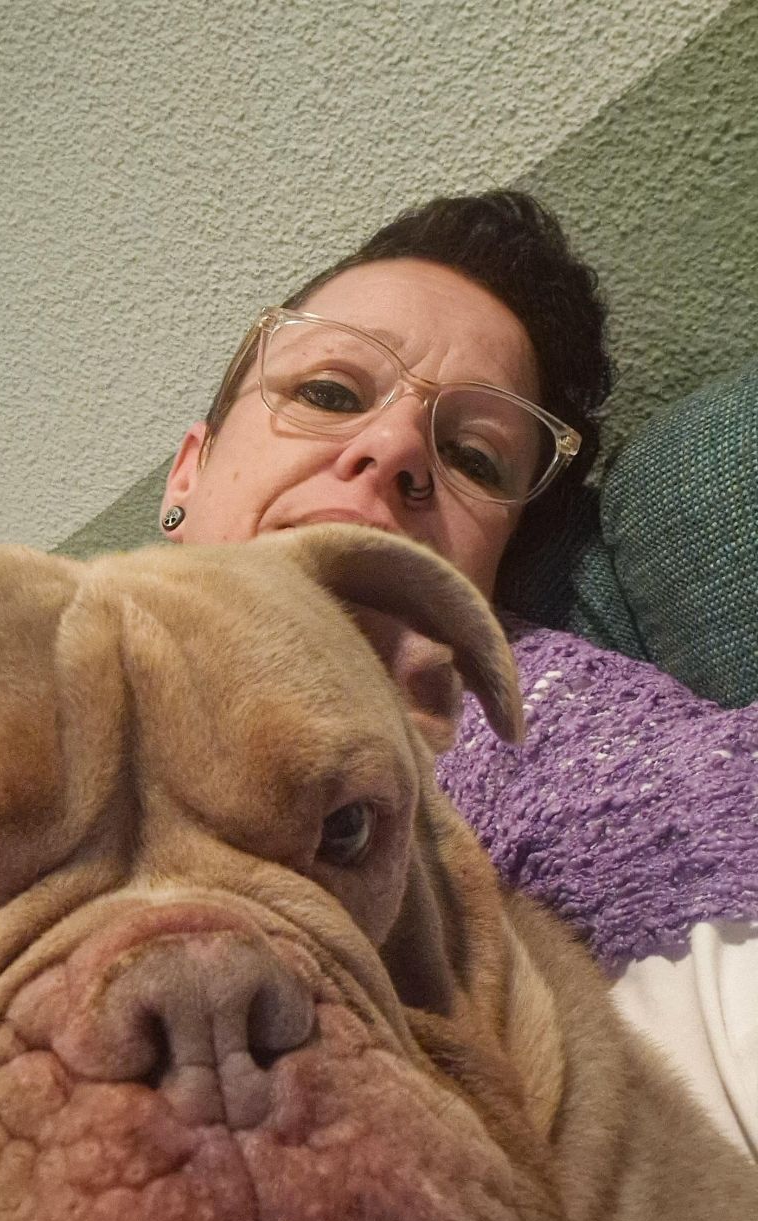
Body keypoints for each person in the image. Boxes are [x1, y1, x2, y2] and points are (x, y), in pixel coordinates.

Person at [157, 190, 758, 1159]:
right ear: (188, 470)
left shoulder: (554, 736)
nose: (393, 446)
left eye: (472, 455)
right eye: (331, 393)